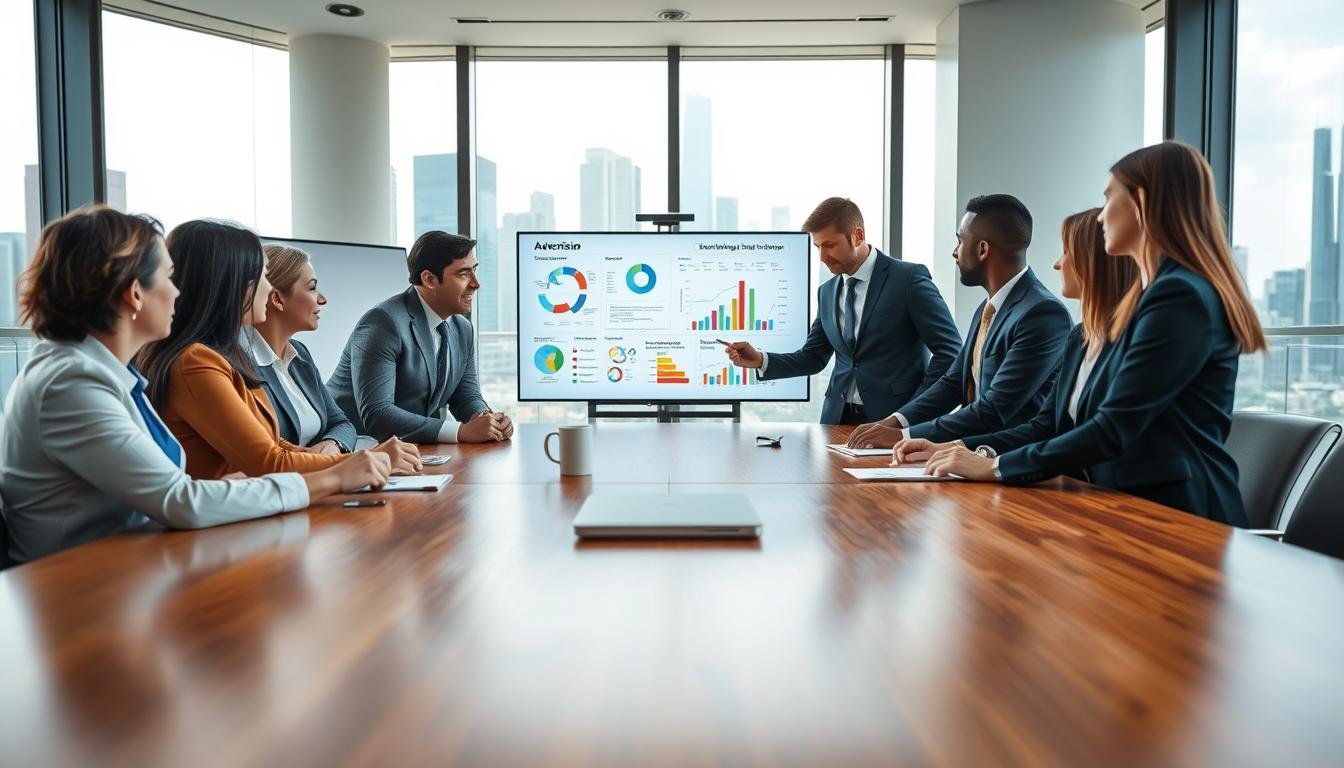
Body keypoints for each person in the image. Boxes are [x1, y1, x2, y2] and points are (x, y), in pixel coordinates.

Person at [0, 206, 392, 565]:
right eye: (168, 278)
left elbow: (176, 491)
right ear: (134, 294)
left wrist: (225, 488)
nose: (177, 292)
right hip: (74, 589)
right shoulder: (71, 383)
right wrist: (334, 477)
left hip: (124, 567)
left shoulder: (100, 372)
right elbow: (179, 500)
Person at [912, 142, 1267, 525]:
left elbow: (1113, 428)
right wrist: (958, 450)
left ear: (1141, 201)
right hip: (1115, 506)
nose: (1100, 218)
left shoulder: (1179, 297)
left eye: (1108, 196)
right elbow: (1048, 425)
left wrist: (995, 466)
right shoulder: (1133, 308)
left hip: (1178, 517)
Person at [136, 220, 420, 479]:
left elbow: (276, 447)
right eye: (261, 276)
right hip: (229, 523)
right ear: (232, 284)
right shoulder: (196, 362)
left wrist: (363, 457)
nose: (268, 288)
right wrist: (372, 459)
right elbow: (269, 461)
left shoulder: (225, 357)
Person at [891, 208, 1136, 465]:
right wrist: (945, 446)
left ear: (1093, 261)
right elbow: (1044, 425)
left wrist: (986, 463)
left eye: (1066, 251)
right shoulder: (1077, 336)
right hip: (1041, 473)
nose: (1056, 263)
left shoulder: (1045, 313)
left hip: (1113, 491)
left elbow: (997, 409)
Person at [847, 194, 1072, 447]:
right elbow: (953, 384)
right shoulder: (986, 309)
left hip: (1012, 466)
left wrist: (905, 437)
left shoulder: (1043, 314)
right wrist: (895, 421)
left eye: (960, 241)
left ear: (983, 250)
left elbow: (994, 408)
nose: (955, 252)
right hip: (970, 461)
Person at [723, 197, 962, 425]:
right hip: (836, 421)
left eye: (829, 245)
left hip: (894, 422)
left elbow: (950, 353)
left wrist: (909, 414)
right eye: (817, 246)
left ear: (858, 236)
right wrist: (760, 360)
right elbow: (813, 357)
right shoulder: (827, 292)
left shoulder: (908, 280)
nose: (822, 257)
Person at [327, 230, 513, 443]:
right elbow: (377, 414)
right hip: (353, 447)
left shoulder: (462, 329)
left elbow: (465, 397)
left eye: (474, 271)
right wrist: (460, 432)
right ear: (430, 279)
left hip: (413, 450)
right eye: (463, 274)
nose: (476, 283)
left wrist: (487, 420)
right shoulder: (383, 323)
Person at [247, 243, 357, 453]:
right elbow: (266, 452)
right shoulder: (241, 363)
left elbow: (342, 424)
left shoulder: (300, 354)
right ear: (278, 299)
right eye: (312, 287)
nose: (322, 299)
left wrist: (333, 446)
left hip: (323, 473)